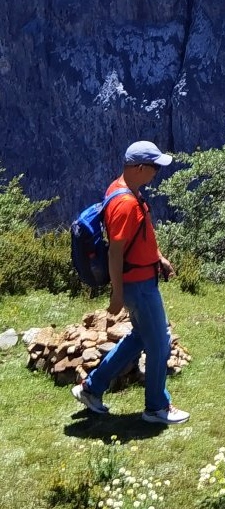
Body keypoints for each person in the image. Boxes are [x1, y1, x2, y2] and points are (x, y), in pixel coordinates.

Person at [71, 141, 190, 425]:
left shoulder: (121, 189)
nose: (156, 173)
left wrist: (158, 257)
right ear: (139, 168)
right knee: (159, 342)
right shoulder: (125, 204)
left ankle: (92, 388)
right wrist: (117, 294)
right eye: (154, 168)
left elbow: (139, 237)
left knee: (139, 337)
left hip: (142, 278)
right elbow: (116, 251)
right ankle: (157, 408)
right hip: (138, 284)